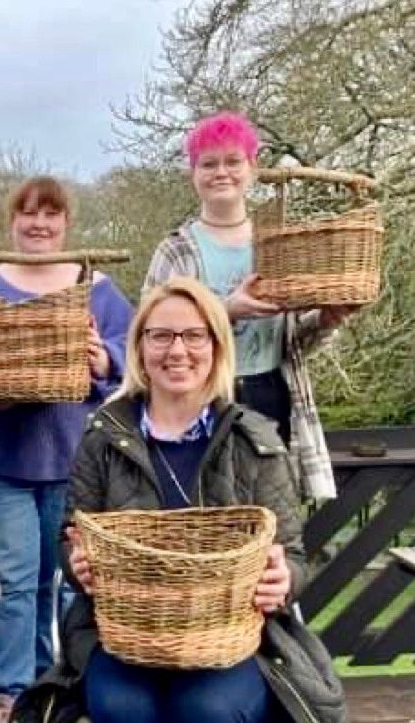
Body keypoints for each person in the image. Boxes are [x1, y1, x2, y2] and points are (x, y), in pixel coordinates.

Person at [20, 278, 371, 723]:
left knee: (204, 712)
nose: (176, 350)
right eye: (160, 335)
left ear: (216, 345)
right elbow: (71, 540)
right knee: (122, 710)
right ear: (139, 347)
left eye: (193, 335)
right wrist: (77, 563)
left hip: (237, 645)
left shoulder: (254, 440)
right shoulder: (103, 439)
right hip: (121, 639)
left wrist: (284, 582)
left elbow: (295, 555)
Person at [0, 176, 134, 723]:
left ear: (67, 223)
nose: (40, 225)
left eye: (51, 215)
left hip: (76, 468)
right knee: (12, 584)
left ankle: (61, 690)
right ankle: (9, 698)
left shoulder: (97, 288)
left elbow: (133, 361)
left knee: (69, 582)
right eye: (29, 215)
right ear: (13, 222)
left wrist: (105, 360)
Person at [144, 110, 359, 501]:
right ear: (193, 175)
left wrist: (326, 320)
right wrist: (225, 310)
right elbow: (148, 336)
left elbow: (293, 342)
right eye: (208, 164)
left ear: (253, 168)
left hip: (270, 392)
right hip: (200, 398)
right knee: (203, 515)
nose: (220, 172)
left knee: (272, 518)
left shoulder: (280, 241)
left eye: (232, 161)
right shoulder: (174, 250)